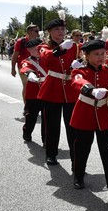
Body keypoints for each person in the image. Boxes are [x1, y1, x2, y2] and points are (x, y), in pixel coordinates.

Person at [69, 40, 108, 200]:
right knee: (82, 148)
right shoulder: (80, 71)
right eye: (96, 54)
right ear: (86, 56)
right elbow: (78, 81)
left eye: (103, 54)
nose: (101, 57)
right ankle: (78, 176)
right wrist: (91, 90)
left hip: (105, 115)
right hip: (85, 113)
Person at [38, 15, 78, 166]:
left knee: (73, 126)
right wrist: (61, 49)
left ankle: (76, 157)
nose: (61, 31)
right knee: (52, 125)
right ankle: (51, 153)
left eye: (62, 28)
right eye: (57, 29)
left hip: (70, 89)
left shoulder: (74, 46)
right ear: (49, 32)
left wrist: (78, 64)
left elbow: (82, 59)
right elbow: (46, 57)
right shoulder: (44, 46)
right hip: (53, 88)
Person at [20, 38, 47, 144]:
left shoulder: (47, 59)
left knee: (47, 120)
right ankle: (27, 132)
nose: (38, 51)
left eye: (40, 48)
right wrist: (30, 73)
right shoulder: (27, 61)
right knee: (31, 117)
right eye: (35, 49)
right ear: (29, 50)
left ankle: (46, 140)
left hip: (46, 93)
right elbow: (25, 67)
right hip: (33, 94)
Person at [11, 24, 41, 105]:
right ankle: (27, 106)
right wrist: (13, 69)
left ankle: (36, 105)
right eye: (36, 31)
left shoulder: (39, 42)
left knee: (37, 86)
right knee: (27, 86)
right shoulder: (21, 41)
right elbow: (15, 56)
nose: (38, 33)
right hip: (24, 66)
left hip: (37, 66)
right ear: (29, 32)